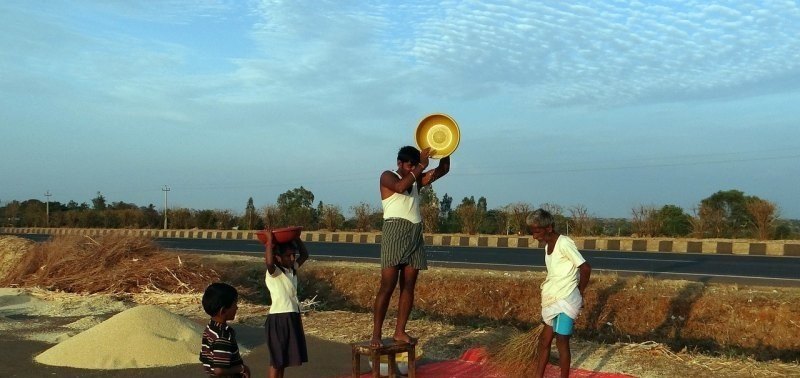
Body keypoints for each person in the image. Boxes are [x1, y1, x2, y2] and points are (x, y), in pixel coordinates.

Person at [371, 145, 451, 347]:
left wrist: (446, 150)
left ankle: (400, 331)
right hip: (394, 231)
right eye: (409, 165)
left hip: (414, 232)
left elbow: (442, 170)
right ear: (399, 163)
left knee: (408, 285)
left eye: (414, 165)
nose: (412, 169)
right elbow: (399, 187)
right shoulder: (387, 176)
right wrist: (422, 165)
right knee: (387, 286)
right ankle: (376, 334)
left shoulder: (415, 180)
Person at [527, 209, 592, 378]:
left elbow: (585, 268)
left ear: (549, 228)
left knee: (562, 342)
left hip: (566, 299)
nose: (534, 236)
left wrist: (580, 291)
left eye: (537, 231)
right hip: (552, 298)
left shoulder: (564, 243)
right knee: (544, 341)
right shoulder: (548, 246)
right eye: (532, 232)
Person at [263, 230, 309, 378]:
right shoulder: (274, 272)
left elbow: (305, 255)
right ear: (278, 257)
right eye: (288, 255)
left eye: (293, 255)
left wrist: (297, 238)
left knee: (283, 359)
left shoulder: (292, 270)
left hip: (292, 316)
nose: (292, 258)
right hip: (278, 318)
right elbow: (269, 262)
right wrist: (269, 242)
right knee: (276, 360)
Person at [200, 282, 251, 378]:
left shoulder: (210, 328)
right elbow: (219, 370)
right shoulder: (223, 335)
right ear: (223, 311)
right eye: (234, 304)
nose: (237, 307)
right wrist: (241, 368)